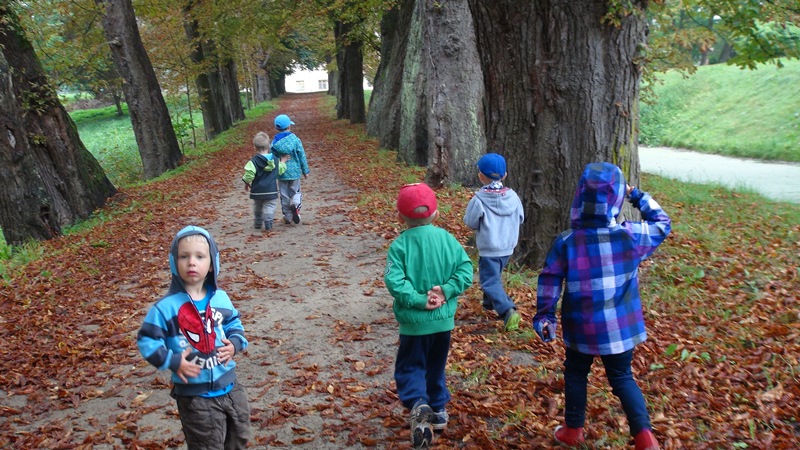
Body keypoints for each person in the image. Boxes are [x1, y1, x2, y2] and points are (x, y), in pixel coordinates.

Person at [532, 162, 670, 450]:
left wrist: (545, 314)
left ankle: (572, 431)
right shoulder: (630, 236)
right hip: (620, 328)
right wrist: (637, 195)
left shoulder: (568, 241)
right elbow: (662, 222)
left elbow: (550, 278)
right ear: (618, 199)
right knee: (622, 377)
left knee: (575, 373)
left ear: (580, 198)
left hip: (581, 327)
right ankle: (645, 438)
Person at [137, 225, 251, 449]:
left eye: (200, 256)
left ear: (211, 264)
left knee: (239, 436)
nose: (192, 262)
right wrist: (172, 360)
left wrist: (235, 344)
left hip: (230, 385)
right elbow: (147, 340)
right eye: (184, 256)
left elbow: (234, 324)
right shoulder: (165, 308)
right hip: (194, 396)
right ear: (173, 262)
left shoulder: (221, 298)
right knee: (206, 444)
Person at [384, 183, 473, 449]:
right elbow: (466, 270)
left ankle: (418, 403)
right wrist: (445, 291)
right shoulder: (447, 240)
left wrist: (419, 300)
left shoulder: (399, 246)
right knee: (436, 365)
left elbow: (394, 281)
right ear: (435, 214)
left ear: (400, 217)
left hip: (414, 324)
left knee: (411, 366)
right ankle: (438, 410)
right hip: (442, 323)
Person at [463, 153, 525, 331]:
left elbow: (471, 222)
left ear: (480, 176)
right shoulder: (513, 197)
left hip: (490, 247)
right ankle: (489, 303)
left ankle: (507, 311)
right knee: (494, 276)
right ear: (504, 175)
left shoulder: (479, 200)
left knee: (488, 281)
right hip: (507, 246)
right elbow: (520, 218)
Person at [242, 131, 289, 231]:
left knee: (257, 206)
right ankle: (268, 222)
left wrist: (246, 182)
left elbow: (249, 174)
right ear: (269, 147)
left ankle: (258, 221)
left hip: (257, 190)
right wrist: (283, 162)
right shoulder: (275, 160)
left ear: (255, 148)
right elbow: (280, 170)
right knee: (270, 206)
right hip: (271, 190)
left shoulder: (253, 161)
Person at [270, 114, 309, 225]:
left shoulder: (274, 143)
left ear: (277, 128)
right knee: (295, 191)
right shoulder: (295, 140)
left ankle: (288, 216)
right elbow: (302, 155)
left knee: (284, 195)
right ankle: (296, 205)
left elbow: (271, 157)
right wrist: (305, 170)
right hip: (295, 171)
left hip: (281, 172)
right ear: (289, 126)